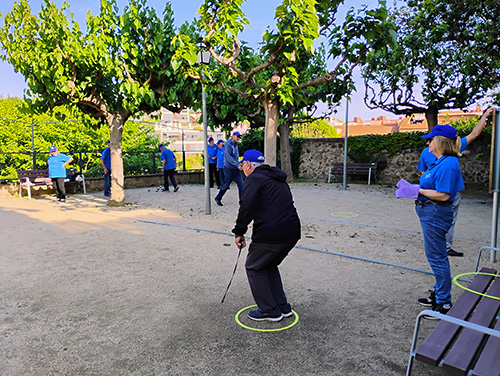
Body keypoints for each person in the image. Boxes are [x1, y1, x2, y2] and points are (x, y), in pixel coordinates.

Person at [232, 150, 301, 322]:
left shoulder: (254, 179)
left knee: (254, 267)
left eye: (242, 165)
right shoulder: (276, 177)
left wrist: (239, 232)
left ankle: (269, 310)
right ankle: (282, 306)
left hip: (271, 233)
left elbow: (246, 208)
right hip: (291, 230)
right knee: (268, 265)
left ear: (248, 164)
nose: (241, 169)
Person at [417, 108, 494, 257]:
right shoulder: (430, 151)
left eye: (431, 139)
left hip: (444, 192)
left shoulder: (450, 154)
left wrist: (485, 115)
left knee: (447, 217)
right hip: (434, 194)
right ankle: (441, 246)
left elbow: (474, 135)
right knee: (441, 218)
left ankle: (443, 247)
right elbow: (423, 173)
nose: (428, 142)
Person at [416, 124, 464, 317]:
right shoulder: (440, 161)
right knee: (435, 255)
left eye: (431, 139)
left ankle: (443, 302)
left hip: (436, 213)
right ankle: (439, 293)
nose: (428, 142)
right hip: (430, 213)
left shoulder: (449, 164)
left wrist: (417, 191)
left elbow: (444, 195)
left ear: (440, 142)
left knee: (437, 257)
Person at [214, 131, 244, 206]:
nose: (238, 138)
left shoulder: (236, 145)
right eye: (237, 136)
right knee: (226, 185)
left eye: (239, 137)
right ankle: (218, 198)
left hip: (235, 169)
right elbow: (228, 157)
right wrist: (237, 164)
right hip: (229, 168)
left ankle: (242, 201)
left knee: (241, 185)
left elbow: (235, 156)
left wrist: (239, 163)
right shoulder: (227, 144)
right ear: (233, 136)